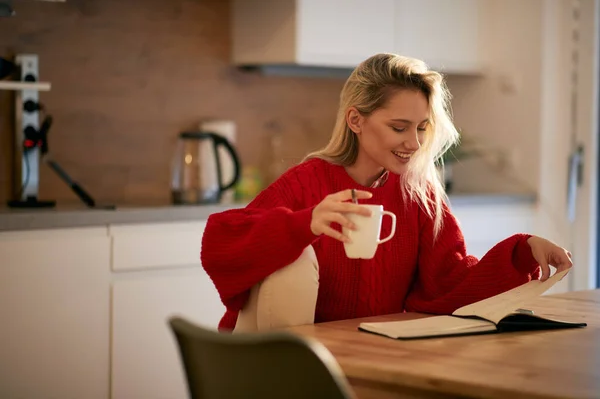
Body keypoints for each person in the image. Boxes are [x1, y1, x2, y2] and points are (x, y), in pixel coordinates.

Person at [200, 53, 573, 333]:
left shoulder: (418, 193)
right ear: (356, 120)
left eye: (422, 128)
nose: (413, 143)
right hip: (289, 363)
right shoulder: (307, 182)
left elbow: (449, 282)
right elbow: (221, 239)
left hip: (372, 351)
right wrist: (305, 223)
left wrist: (522, 251)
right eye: (399, 127)